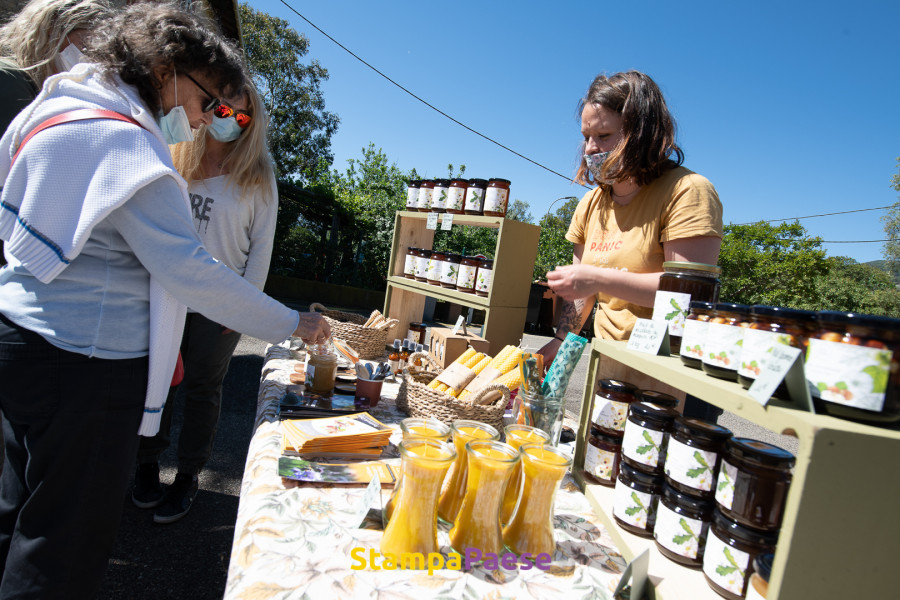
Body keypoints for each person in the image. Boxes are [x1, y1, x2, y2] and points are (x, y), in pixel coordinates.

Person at [0, 4, 328, 598]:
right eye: (208, 103)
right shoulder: (128, 142)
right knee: (60, 548)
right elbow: (188, 270)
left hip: (21, 335)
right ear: (169, 69)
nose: (205, 121)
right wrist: (289, 322)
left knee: (17, 510)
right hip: (84, 363)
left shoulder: (62, 102)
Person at [133, 81, 279, 524]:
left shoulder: (259, 175)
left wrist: (242, 307)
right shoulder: (177, 152)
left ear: (250, 124)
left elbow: (261, 248)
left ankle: (188, 475)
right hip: (166, 293)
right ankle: (145, 466)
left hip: (220, 303)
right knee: (159, 380)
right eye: (223, 107)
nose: (230, 120)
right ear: (209, 104)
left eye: (242, 117)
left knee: (202, 391)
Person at [539, 71, 723, 405]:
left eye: (605, 135)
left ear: (642, 133)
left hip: (668, 378)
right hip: (610, 368)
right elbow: (581, 293)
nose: (592, 148)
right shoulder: (591, 204)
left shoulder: (688, 191)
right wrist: (561, 340)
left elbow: (689, 295)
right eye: (587, 136)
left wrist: (596, 278)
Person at [0, 0, 113, 268]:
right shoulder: (10, 83)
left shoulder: (34, 86)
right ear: (52, 33)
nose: (91, 61)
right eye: (88, 48)